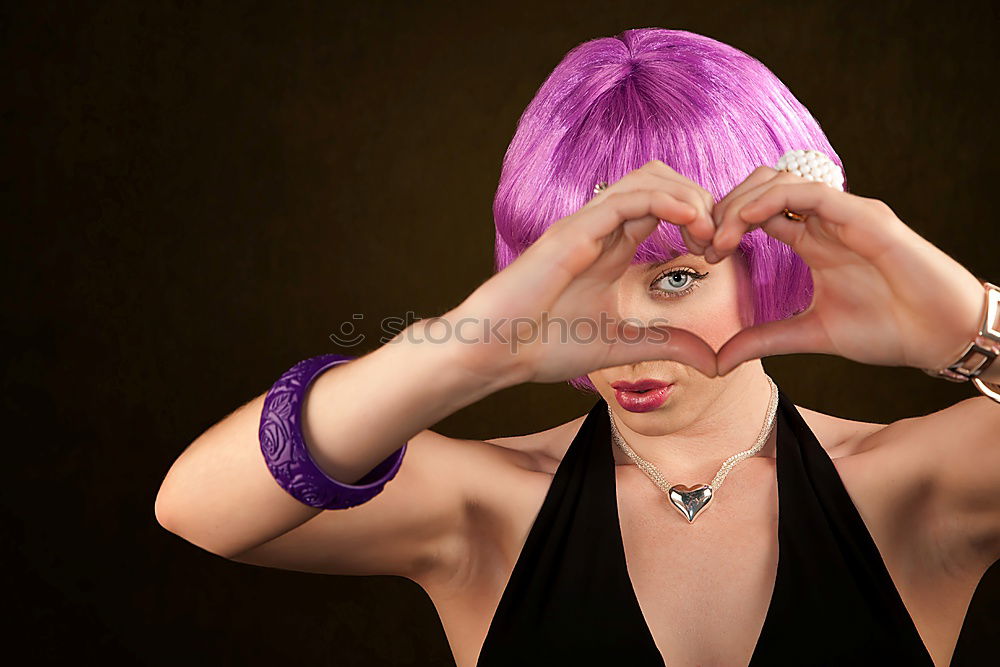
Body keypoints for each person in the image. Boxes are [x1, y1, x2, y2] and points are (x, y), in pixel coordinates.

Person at [154, 28, 1000, 667]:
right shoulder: (488, 507)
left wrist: (976, 327)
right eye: (580, 286)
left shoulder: (914, 486)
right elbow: (197, 507)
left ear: (772, 252)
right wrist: (465, 351)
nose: (620, 335)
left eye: (674, 277)